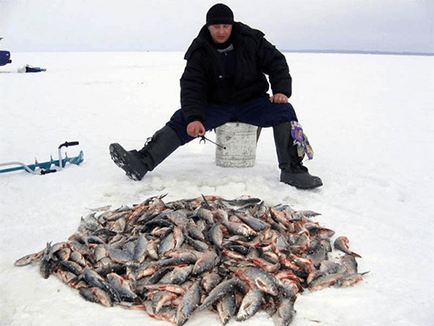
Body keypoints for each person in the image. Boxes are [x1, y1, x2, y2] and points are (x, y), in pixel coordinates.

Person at [109, 3, 322, 190]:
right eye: (216, 27)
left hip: (252, 101)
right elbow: (192, 86)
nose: (221, 31)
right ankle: (142, 162)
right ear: (208, 27)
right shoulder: (199, 50)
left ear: (232, 25)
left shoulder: (251, 39)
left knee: (284, 111)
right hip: (217, 105)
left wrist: (281, 91)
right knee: (182, 119)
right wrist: (194, 118)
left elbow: (277, 62)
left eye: (225, 26)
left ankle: (292, 170)